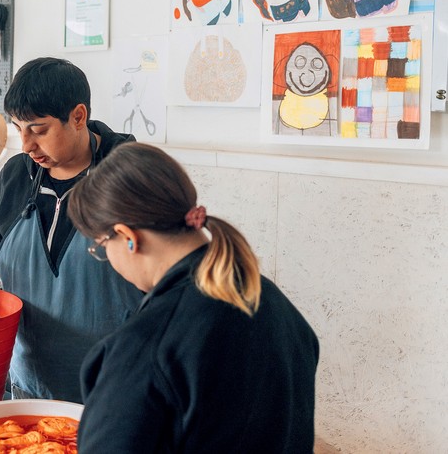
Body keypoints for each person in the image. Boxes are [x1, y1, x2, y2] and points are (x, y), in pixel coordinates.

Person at [67, 143, 319, 453]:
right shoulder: (271, 301)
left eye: (101, 246)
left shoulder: (146, 347)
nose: (106, 256)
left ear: (128, 237)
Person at [0, 57, 143, 402]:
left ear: (78, 117)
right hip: (30, 385)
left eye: (39, 130)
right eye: (18, 129)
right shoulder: (18, 175)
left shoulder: (132, 176)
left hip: (116, 392)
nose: (26, 144)